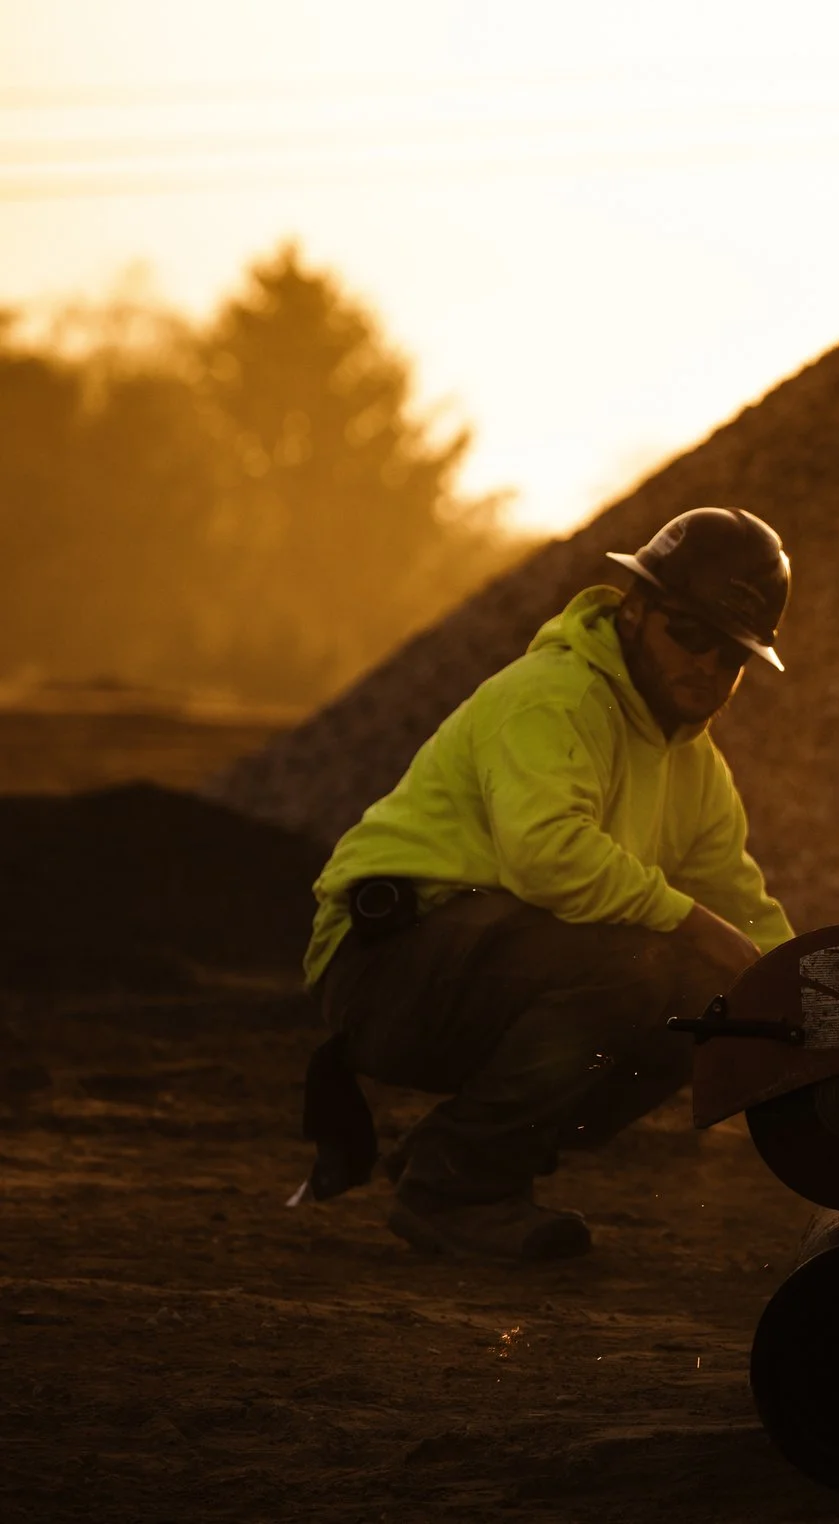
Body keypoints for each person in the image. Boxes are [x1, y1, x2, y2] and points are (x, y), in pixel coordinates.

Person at [296, 508, 797, 1262]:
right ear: (634, 609)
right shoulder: (554, 699)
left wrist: (810, 1007)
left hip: (482, 970)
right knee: (640, 963)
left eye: (730, 655)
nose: (707, 665)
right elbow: (548, 857)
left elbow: (741, 907)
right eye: (689, 633)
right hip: (383, 969)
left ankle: (460, 1157)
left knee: (711, 1002)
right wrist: (697, 927)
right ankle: (456, 1190)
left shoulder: (696, 768)